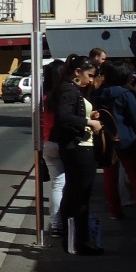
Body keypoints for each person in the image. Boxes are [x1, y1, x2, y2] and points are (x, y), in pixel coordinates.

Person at [47, 55, 104, 255]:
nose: (91, 79)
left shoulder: (69, 88)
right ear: (78, 72)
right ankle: (78, 241)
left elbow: (69, 115)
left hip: (76, 145)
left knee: (74, 193)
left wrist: (89, 116)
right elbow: (64, 118)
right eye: (89, 75)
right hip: (79, 146)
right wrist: (89, 123)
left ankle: (74, 240)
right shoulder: (68, 89)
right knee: (79, 195)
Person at [92, 61, 136, 222]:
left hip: (105, 139)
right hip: (126, 138)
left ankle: (114, 211)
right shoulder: (126, 94)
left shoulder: (97, 93)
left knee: (109, 176)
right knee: (135, 175)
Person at [39, 58, 68, 236]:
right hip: (63, 142)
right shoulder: (63, 96)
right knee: (66, 184)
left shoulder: (43, 97)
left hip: (47, 142)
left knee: (57, 184)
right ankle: (63, 221)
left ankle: (55, 223)